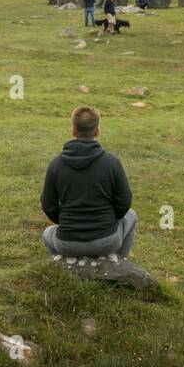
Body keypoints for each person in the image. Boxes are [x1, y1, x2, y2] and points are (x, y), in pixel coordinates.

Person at [41, 106, 136, 259]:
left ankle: (66, 267)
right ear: (97, 131)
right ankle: (120, 262)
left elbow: (48, 205)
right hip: (107, 241)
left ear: (72, 130)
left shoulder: (55, 164)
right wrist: (110, 220)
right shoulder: (112, 162)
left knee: (47, 234)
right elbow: (125, 201)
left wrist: (67, 222)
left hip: (66, 243)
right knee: (132, 215)